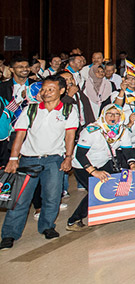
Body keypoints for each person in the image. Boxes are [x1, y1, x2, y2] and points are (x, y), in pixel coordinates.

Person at [1, 77, 78, 250]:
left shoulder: (68, 110)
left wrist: (68, 157)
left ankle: (47, 226)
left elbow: (70, 135)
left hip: (54, 159)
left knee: (52, 196)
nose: (45, 93)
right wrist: (13, 159)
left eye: (51, 89)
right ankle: (9, 234)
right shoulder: (31, 109)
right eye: (43, 89)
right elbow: (20, 134)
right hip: (29, 159)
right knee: (20, 199)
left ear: (61, 91)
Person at [66, 104, 135, 231]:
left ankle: (103, 214)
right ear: (103, 115)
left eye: (117, 114)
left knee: (113, 186)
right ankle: (74, 220)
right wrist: (94, 172)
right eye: (110, 114)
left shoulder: (122, 130)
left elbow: (127, 150)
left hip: (103, 161)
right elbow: (80, 155)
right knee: (96, 191)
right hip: (83, 165)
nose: (113, 117)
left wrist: (133, 164)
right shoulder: (92, 130)